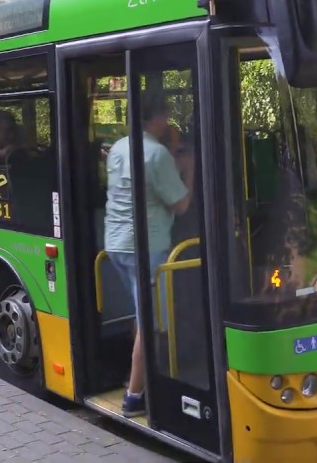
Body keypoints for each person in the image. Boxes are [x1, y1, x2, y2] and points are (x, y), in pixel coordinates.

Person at [104, 93, 192, 416]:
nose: (168, 122)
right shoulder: (157, 155)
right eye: (165, 116)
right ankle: (134, 397)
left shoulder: (118, 148)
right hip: (147, 249)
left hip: (115, 245)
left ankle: (140, 374)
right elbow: (181, 205)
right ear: (154, 119)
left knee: (139, 314)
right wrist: (189, 169)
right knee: (150, 323)